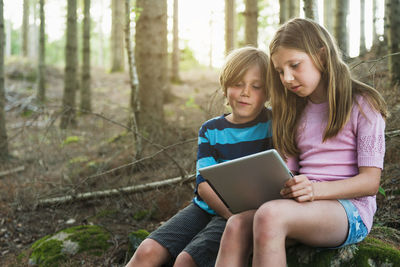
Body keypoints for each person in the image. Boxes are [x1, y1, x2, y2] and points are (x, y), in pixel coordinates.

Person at [215, 18, 387, 267]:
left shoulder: (363, 104)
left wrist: (315, 190)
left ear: (322, 56)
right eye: (279, 71)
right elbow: (288, 171)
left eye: (294, 65)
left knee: (270, 216)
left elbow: (370, 182)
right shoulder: (294, 110)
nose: (286, 78)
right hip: (302, 206)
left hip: (349, 211)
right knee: (236, 225)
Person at [125, 46, 273, 267]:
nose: (245, 92)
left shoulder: (273, 125)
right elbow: (203, 184)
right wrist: (228, 214)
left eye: (256, 86)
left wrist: (236, 218)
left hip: (245, 213)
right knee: (147, 250)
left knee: (185, 261)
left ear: (268, 93)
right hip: (206, 208)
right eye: (237, 84)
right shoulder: (210, 130)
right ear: (225, 87)